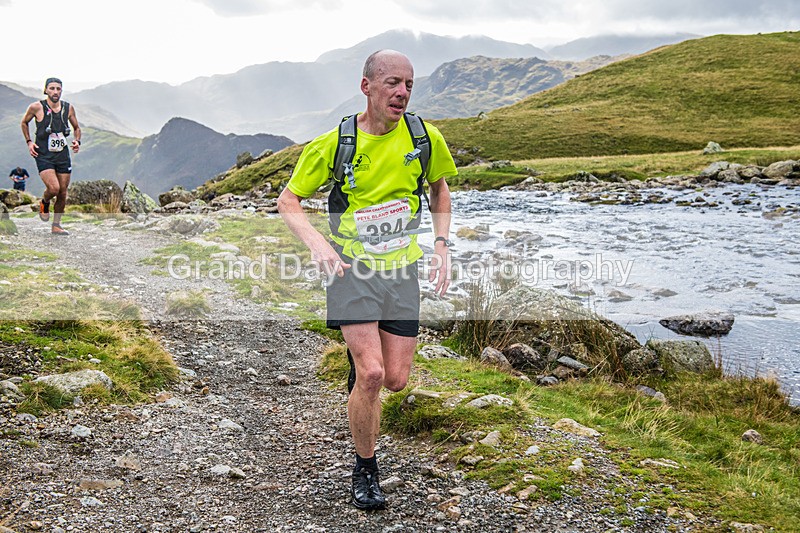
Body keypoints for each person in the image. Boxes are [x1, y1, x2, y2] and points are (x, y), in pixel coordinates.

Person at [278, 50, 456, 511]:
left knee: (395, 379)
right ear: (367, 87)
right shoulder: (335, 144)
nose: (402, 93)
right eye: (393, 83)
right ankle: (365, 468)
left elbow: (439, 189)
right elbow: (289, 200)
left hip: (402, 271)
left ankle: (363, 380)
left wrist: (441, 247)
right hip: (351, 268)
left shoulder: (424, 137)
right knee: (373, 373)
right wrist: (318, 244)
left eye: (409, 85)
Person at [20, 77, 81, 235]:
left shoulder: (68, 108)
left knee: (63, 192)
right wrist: (29, 142)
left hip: (62, 155)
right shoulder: (36, 107)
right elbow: (24, 122)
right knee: (54, 188)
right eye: (52, 88)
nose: (55, 92)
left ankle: (56, 225)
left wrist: (77, 141)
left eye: (58, 89)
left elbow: (77, 128)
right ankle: (45, 201)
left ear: (61, 90)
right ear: (46, 90)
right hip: (43, 154)